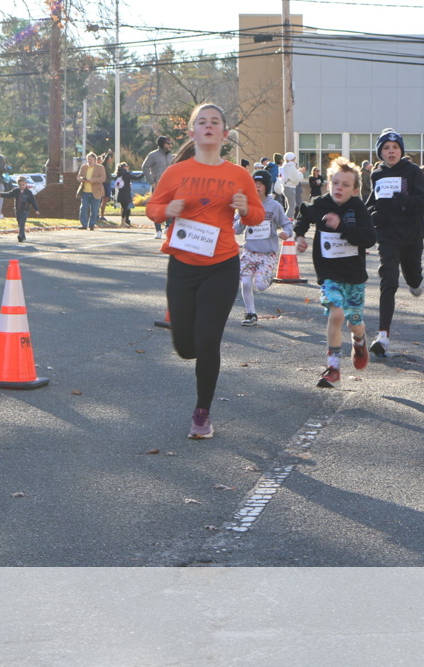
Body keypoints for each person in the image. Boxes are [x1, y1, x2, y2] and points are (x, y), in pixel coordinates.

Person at [145, 103, 265, 440]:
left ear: (225, 134)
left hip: (221, 265)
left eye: (215, 122)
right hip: (183, 266)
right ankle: (198, 348)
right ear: (192, 132)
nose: (208, 126)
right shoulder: (176, 172)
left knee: (209, 339)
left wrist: (246, 208)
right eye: (202, 122)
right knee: (186, 347)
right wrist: (167, 209)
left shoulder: (238, 175)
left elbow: (257, 215)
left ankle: (202, 412)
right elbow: (152, 208)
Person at [294, 157, 377, 389]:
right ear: (329, 183)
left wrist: (341, 226)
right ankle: (333, 369)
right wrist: (299, 236)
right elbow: (303, 216)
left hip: (354, 276)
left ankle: (359, 340)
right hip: (329, 273)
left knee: (354, 323)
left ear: (355, 190)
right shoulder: (321, 204)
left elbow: (369, 238)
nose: (339, 188)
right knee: (337, 313)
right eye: (335, 183)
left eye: (345, 185)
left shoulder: (358, 209)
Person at [364, 128, 424, 357]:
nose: (391, 151)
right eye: (386, 148)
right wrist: (373, 215)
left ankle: (415, 281)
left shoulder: (413, 172)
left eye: (395, 147)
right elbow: (370, 204)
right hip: (388, 236)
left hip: (411, 234)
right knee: (389, 280)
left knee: (413, 277)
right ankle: (383, 336)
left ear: (401, 150)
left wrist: (406, 200)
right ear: (380, 153)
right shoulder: (377, 174)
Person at [235, 169, 293, 326]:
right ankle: (250, 313)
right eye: (254, 183)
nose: (257, 187)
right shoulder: (245, 204)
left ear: (267, 186)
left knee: (260, 285)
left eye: (261, 184)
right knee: (246, 283)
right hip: (249, 251)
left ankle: (267, 278)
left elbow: (286, 223)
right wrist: (242, 217)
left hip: (267, 252)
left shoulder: (274, 206)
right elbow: (236, 229)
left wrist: (286, 233)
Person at [0, 176, 40, 242]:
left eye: (23, 184)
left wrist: (36, 209)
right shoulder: (16, 191)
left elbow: (33, 201)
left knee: (21, 223)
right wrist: (0, 194)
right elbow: (9, 194)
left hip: (25, 210)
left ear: (26, 184)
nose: (21, 186)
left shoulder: (28, 192)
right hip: (17, 210)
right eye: (20, 185)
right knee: (19, 223)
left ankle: (20, 235)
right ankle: (23, 236)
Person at [76, 152, 105, 230]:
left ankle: (92, 224)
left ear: (95, 160)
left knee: (94, 209)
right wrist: (82, 179)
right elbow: (78, 177)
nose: (89, 161)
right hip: (85, 191)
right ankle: (84, 224)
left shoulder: (100, 168)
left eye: (91, 159)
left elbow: (103, 178)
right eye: (88, 159)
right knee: (83, 208)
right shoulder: (84, 167)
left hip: (96, 192)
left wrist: (91, 180)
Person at [281, 152, 305, 219]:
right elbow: (295, 179)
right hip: (290, 188)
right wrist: (300, 172)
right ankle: (286, 220)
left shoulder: (285, 166)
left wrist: (298, 172)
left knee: (289, 206)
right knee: (292, 206)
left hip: (286, 187)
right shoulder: (291, 167)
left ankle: (286, 220)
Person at [114, 161, 133, 227]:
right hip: (126, 193)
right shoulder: (126, 175)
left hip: (120, 193)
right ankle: (123, 222)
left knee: (123, 208)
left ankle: (123, 221)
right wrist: (144, 173)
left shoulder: (118, 175)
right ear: (124, 167)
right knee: (125, 208)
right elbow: (136, 178)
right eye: (126, 166)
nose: (128, 167)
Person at [98, 151, 113, 223]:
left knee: (105, 200)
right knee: (103, 200)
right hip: (105, 184)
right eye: (110, 158)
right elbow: (104, 160)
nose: (111, 159)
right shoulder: (103, 165)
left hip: (108, 184)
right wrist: (108, 154)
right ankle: (100, 215)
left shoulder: (108, 166)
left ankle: (102, 215)